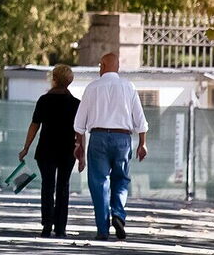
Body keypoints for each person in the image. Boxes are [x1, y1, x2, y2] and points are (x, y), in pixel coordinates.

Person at [73, 53, 148, 241]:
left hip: (98, 137)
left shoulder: (92, 88)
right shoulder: (128, 87)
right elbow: (140, 119)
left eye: (100, 65)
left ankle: (103, 229)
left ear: (103, 65)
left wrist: (79, 146)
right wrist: (142, 143)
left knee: (99, 182)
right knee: (121, 179)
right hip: (122, 138)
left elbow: (79, 124)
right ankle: (118, 214)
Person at [18, 64, 80, 238]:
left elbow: (35, 125)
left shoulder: (44, 100)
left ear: (54, 79)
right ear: (70, 81)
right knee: (63, 187)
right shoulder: (76, 104)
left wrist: (26, 148)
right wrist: (81, 152)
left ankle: (47, 225)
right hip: (68, 150)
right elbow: (79, 130)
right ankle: (61, 228)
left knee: (47, 186)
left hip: (46, 150)